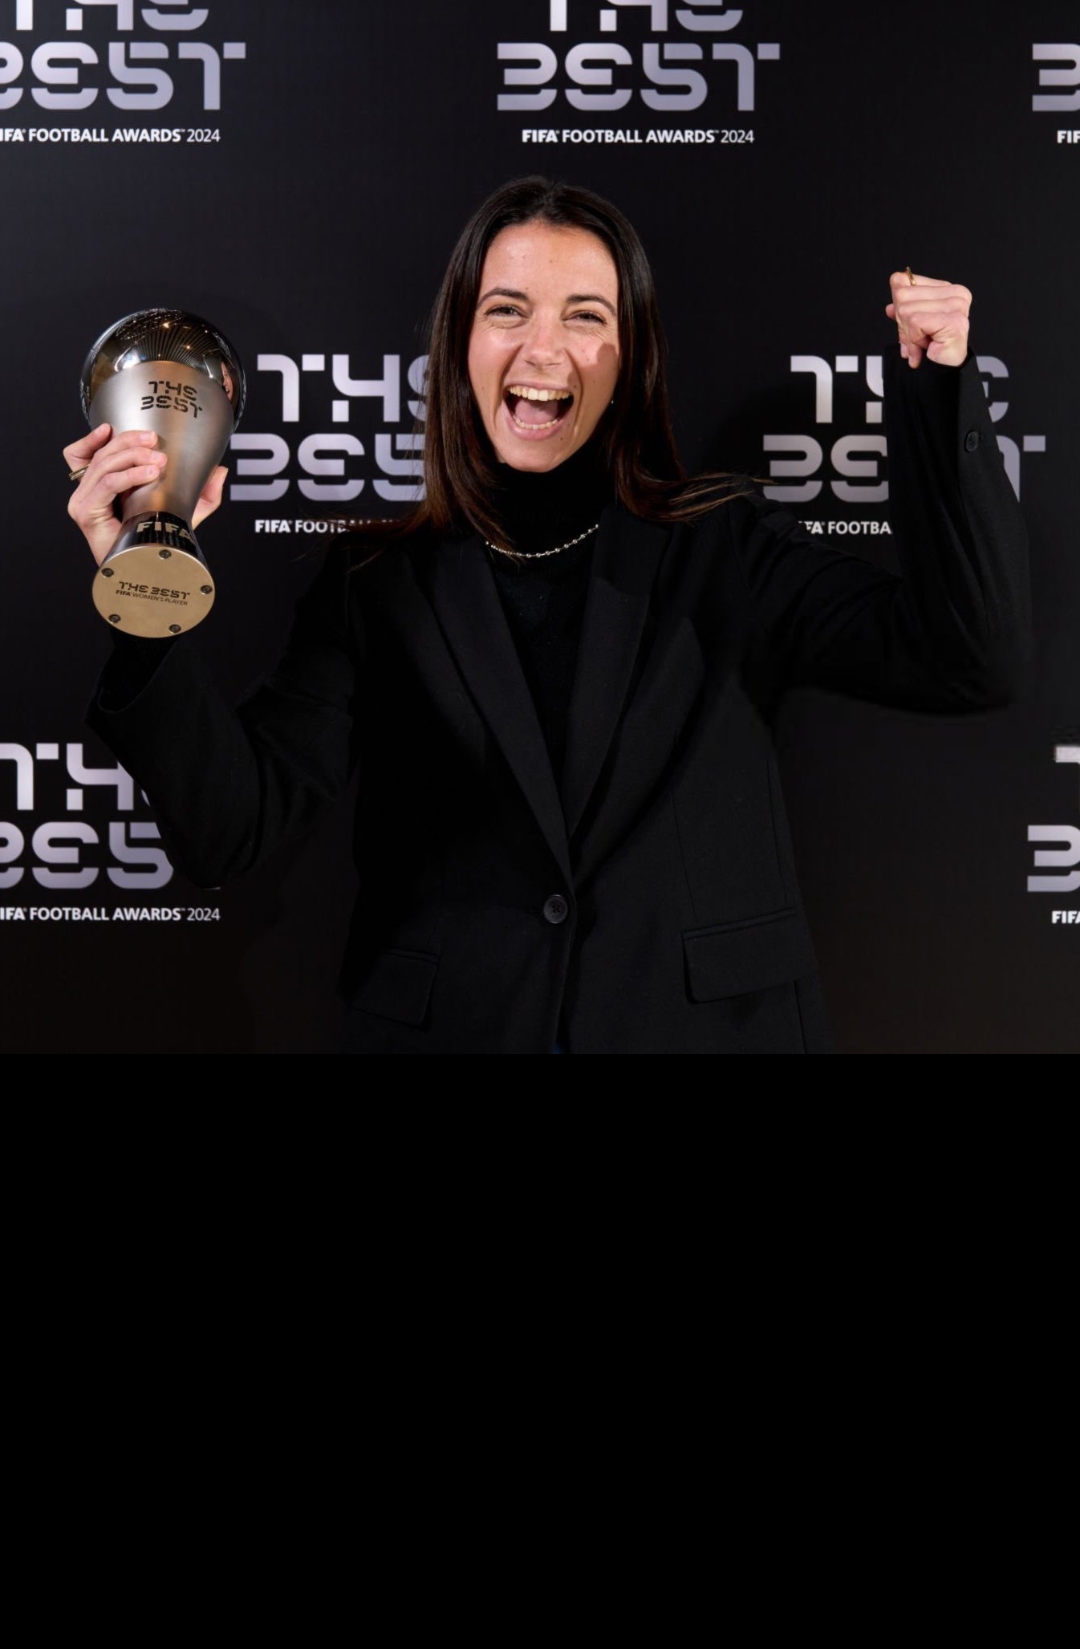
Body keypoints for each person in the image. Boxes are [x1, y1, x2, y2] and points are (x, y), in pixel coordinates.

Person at [65, 177, 1031, 1056]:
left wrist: (938, 392)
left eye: (585, 316)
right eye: (506, 310)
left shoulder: (725, 548)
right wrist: (142, 578)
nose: (542, 350)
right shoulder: (375, 582)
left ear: (630, 354)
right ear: (461, 342)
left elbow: (969, 658)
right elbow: (228, 832)